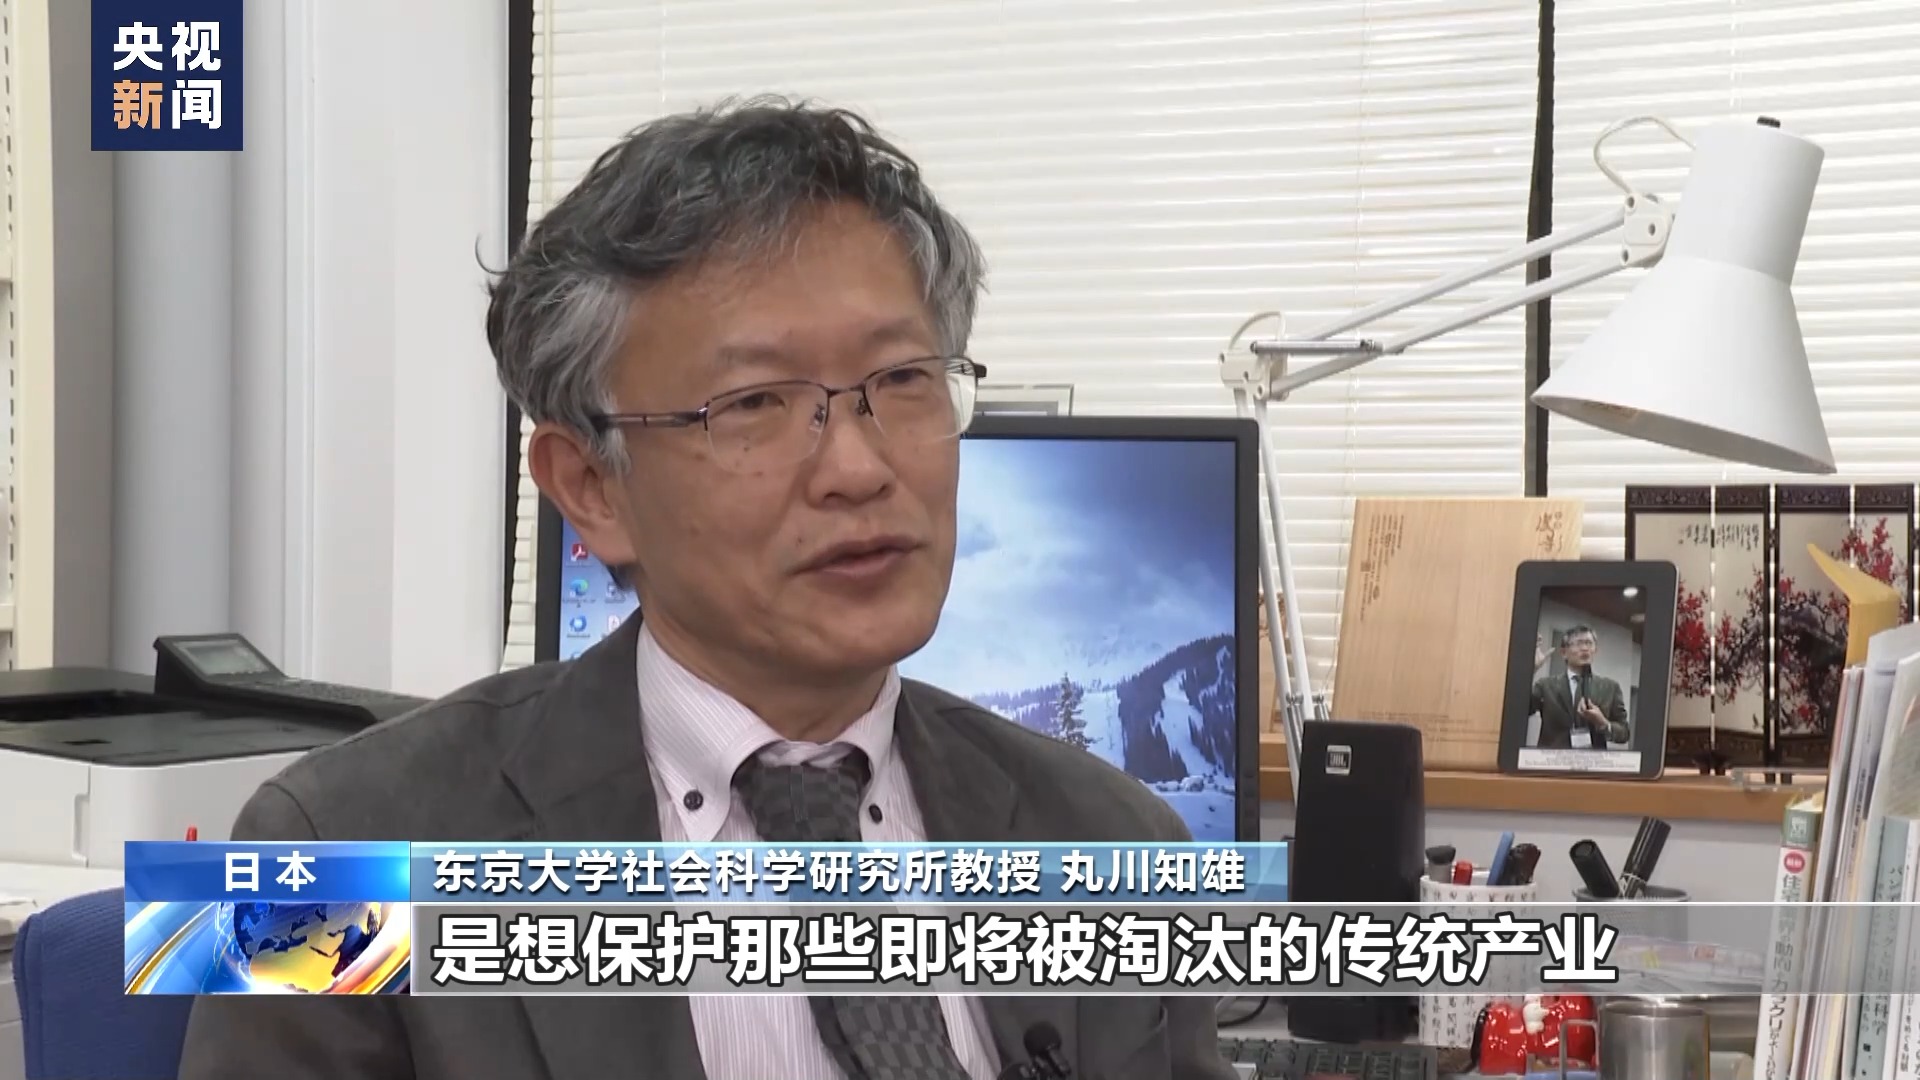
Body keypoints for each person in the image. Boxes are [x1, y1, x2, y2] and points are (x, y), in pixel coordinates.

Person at [179, 98, 1233, 1080]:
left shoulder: (1115, 840)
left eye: (903, 381)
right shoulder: (332, 850)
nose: (859, 467)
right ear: (591, 487)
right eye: (756, 403)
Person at [1528, 624, 1630, 750]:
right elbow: (1522, 710)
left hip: (1593, 760)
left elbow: (1624, 733)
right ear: (1564, 653)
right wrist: (1530, 670)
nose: (1585, 648)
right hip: (1554, 759)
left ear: (1595, 650)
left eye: (1589, 643)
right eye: (1579, 643)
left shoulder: (1610, 687)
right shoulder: (1546, 685)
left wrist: (1603, 723)